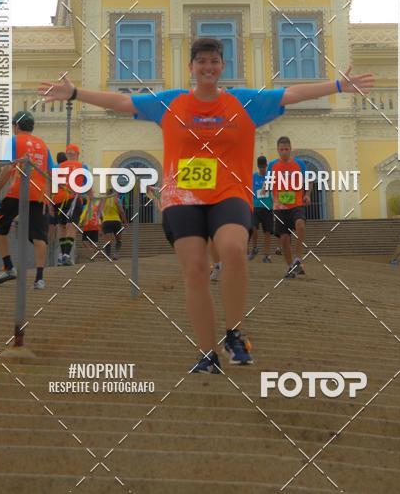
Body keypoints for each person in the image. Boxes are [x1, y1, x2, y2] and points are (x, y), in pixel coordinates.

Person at [39, 38, 373, 373]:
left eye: (214, 61)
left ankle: (233, 333)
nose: (208, 67)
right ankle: (207, 353)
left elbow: (290, 94)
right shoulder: (171, 103)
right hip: (182, 199)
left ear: (222, 67)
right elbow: (122, 101)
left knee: (232, 249)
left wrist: (338, 85)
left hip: (228, 194)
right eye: (201, 61)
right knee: (195, 270)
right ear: (191, 67)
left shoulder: (245, 102)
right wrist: (74, 94)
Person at [0, 110, 56, 290]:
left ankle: (9, 267)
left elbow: (7, 169)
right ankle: (39, 279)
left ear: (16, 126)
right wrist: (49, 198)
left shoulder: (14, 141)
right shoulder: (43, 145)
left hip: (18, 191)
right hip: (38, 194)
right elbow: (50, 173)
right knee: (38, 236)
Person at [268, 138, 311, 279]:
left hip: (296, 204)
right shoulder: (272, 166)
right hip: (280, 208)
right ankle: (290, 267)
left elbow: (308, 180)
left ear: (290, 149)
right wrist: (274, 200)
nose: (284, 151)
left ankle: (298, 257)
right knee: (285, 239)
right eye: (281, 149)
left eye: (286, 149)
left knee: (301, 225)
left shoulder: (299, 164)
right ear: (278, 150)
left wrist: (307, 195)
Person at [53, 144, 92, 266]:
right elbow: (88, 186)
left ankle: (61, 254)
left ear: (67, 154)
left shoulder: (58, 166)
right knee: (71, 225)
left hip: (58, 199)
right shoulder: (82, 166)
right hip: (73, 198)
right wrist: (90, 200)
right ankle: (66, 254)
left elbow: (54, 185)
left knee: (62, 226)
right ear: (77, 154)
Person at [248, 156, 273, 262]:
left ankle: (266, 255)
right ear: (258, 167)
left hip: (268, 207)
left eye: (263, 167)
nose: (262, 169)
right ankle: (254, 248)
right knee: (253, 227)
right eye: (260, 167)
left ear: (266, 166)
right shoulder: (253, 177)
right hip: (256, 207)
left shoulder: (271, 177)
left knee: (267, 232)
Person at [101, 189, 127, 260]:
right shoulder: (117, 200)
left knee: (107, 241)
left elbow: (100, 213)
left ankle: (108, 256)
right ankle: (116, 254)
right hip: (116, 222)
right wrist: (125, 222)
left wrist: (100, 223)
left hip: (106, 222)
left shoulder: (103, 201)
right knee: (119, 240)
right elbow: (121, 211)